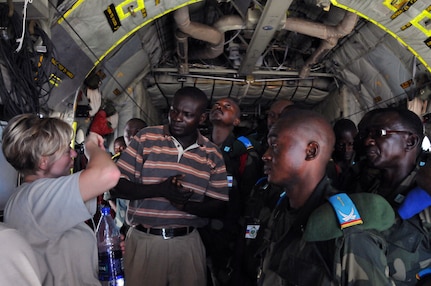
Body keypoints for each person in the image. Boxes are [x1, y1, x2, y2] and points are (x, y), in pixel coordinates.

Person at [259, 108, 395, 285]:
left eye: (275, 146)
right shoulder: (282, 209)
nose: (265, 156)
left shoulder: (348, 234)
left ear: (311, 151)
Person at [112, 86, 229, 286]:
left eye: (187, 114)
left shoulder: (211, 154)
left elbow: (219, 206)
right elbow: (116, 186)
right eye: (174, 111)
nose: (177, 118)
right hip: (144, 241)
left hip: (187, 243)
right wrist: (160, 190)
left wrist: (185, 206)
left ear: (201, 119)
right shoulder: (146, 138)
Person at [2, 113, 120, 285]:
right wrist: (91, 146)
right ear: (43, 162)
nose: (73, 153)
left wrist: (98, 248)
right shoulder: (36, 197)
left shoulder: (36, 195)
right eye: (66, 150)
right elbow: (108, 174)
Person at [355, 107, 431, 285]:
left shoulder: (425, 196)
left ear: (410, 141)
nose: (368, 141)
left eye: (379, 133)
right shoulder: (365, 189)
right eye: (367, 134)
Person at [205, 97, 262, 285]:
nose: (219, 107)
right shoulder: (198, 149)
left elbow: (251, 201)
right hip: (201, 233)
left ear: (236, 121)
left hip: (231, 237)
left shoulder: (243, 153)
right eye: (216, 105)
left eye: (227, 106)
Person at [326, 118, 358, 189]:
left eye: (350, 144)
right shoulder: (329, 165)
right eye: (341, 145)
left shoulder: (359, 162)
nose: (346, 149)